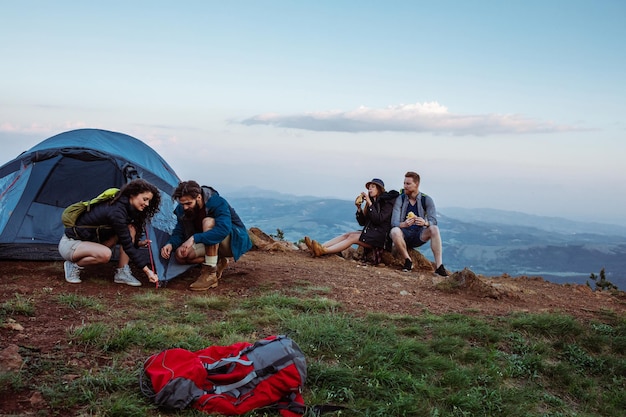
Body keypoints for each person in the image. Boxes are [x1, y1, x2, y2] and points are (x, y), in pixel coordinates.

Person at [58, 179, 161, 285]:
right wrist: (148, 271)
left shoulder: (126, 209)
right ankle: (72, 267)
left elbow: (124, 237)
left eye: (149, 201)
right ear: (133, 194)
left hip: (89, 243)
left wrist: (138, 243)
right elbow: (127, 245)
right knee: (105, 254)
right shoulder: (116, 211)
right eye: (145, 199)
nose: (147, 204)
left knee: (131, 229)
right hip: (70, 244)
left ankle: (122, 273)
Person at [160, 180, 252, 291]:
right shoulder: (182, 210)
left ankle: (210, 275)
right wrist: (170, 244)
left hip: (231, 241)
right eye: (182, 204)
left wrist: (194, 238)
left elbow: (223, 230)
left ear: (198, 197)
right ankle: (217, 261)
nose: (185, 207)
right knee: (181, 255)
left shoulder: (217, 202)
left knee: (208, 222)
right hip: (207, 242)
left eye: (188, 203)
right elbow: (180, 231)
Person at [304, 178, 399, 263]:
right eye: (369, 187)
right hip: (372, 234)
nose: (370, 189)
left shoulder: (386, 202)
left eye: (373, 187)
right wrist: (359, 209)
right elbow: (363, 223)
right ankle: (319, 247)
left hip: (381, 238)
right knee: (348, 234)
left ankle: (323, 251)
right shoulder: (372, 203)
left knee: (352, 237)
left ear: (379, 189)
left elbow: (379, 219)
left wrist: (369, 204)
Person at [390, 171, 448, 276]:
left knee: (434, 229)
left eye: (408, 184)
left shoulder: (426, 199)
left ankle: (439, 267)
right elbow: (394, 222)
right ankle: (408, 261)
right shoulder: (401, 199)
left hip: (419, 234)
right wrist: (404, 224)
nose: (405, 186)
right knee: (394, 231)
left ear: (416, 184)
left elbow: (434, 220)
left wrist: (425, 223)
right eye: (404, 183)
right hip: (404, 235)